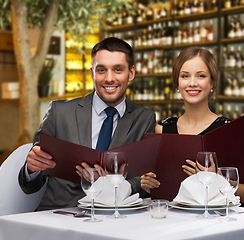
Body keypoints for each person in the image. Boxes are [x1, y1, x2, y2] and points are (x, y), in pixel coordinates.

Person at [19, 37, 156, 211]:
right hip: (59, 216)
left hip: (115, 218)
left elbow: (142, 182)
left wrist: (112, 183)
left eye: (118, 69)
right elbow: (29, 185)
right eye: (101, 70)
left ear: (131, 73)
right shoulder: (59, 112)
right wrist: (31, 169)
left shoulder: (145, 119)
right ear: (92, 73)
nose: (109, 78)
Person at [140, 46, 244, 205]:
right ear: (177, 83)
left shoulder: (230, 130)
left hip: (217, 221)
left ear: (212, 82)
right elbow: (159, 188)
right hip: (173, 220)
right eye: (185, 76)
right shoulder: (162, 129)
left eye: (201, 76)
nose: (192, 83)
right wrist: (147, 184)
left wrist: (217, 179)